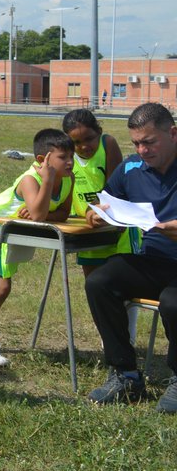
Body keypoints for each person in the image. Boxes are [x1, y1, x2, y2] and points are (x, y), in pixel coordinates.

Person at [84, 103, 177, 410]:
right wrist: (97, 215)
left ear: (173, 133)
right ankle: (125, 374)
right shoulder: (131, 168)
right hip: (155, 261)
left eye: (149, 142)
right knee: (100, 281)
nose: (142, 150)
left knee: (173, 301)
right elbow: (106, 203)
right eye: (136, 143)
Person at [0, 128, 74, 367]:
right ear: (42, 160)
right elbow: (39, 215)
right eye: (63, 157)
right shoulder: (30, 180)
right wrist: (47, 182)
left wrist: (42, 213)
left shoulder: (68, 179)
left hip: (14, 232)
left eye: (71, 156)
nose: (70, 162)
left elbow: (62, 213)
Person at [64, 109, 130, 277]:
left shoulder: (108, 144)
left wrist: (91, 209)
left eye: (89, 139)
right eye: (76, 142)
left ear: (99, 132)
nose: (84, 146)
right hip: (87, 228)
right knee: (93, 284)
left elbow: (113, 189)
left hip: (115, 226)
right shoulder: (66, 158)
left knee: (123, 282)